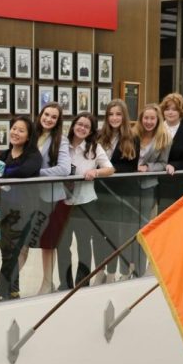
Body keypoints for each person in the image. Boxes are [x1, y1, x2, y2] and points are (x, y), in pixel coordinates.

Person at [0, 115, 42, 304]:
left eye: (21, 130)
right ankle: (13, 292)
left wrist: (4, 173)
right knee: (4, 251)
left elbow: (23, 172)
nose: (15, 132)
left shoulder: (33, 156)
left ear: (28, 135)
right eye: (14, 128)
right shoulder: (4, 155)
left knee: (13, 253)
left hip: (21, 212)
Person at [57, 112, 114, 290]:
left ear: (90, 131)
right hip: (63, 202)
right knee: (62, 245)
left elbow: (110, 169)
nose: (82, 128)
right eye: (79, 124)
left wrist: (95, 172)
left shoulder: (94, 148)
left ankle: (82, 282)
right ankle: (64, 284)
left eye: (86, 127)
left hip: (86, 203)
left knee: (83, 243)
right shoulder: (62, 145)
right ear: (73, 125)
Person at [93, 99, 140, 284]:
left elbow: (131, 167)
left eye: (118, 114)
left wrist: (107, 169)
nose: (114, 118)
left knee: (117, 235)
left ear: (124, 116)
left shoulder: (132, 137)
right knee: (99, 235)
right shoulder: (98, 136)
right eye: (111, 114)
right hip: (100, 192)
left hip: (122, 194)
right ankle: (100, 270)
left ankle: (112, 272)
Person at [28, 102, 71, 295]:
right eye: (46, 114)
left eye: (54, 117)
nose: (49, 119)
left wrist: (36, 173)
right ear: (40, 114)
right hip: (29, 197)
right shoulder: (30, 134)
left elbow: (64, 169)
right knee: (22, 244)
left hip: (52, 198)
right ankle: (7, 284)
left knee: (48, 244)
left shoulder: (60, 140)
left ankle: (47, 283)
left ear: (58, 121)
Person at [156, 92, 183, 212]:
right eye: (167, 109)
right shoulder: (154, 130)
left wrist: (173, 165)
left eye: (174, 109)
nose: (170, 112)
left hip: (174, 184)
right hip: (153, 180)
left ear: (181, 112)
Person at [134, 103, 172, 222]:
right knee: (129, 219)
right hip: (129, 183)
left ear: (158, 120)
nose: (148, 122)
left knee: (144, 219)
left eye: (152, 118)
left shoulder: (165, 137)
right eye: (146, 118)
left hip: (148, 185)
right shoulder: (133, 134)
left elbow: (163, 163)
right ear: (141, 119)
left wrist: (147, 167)